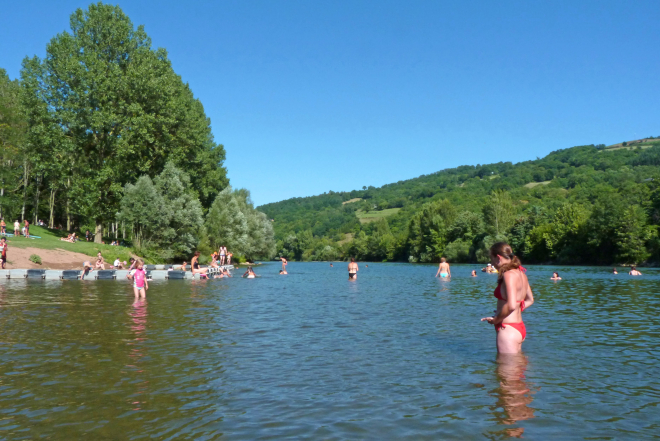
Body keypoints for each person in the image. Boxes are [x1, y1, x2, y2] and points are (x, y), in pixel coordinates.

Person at [481, 242, 535, 354]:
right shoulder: (521, 273)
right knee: (517, 369)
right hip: (519, 328)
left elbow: (511, 305)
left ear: (499, 258)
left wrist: (496, 319)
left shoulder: (508, 275)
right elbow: (530, 300)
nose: (492, 263)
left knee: (505, 370)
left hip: (508, 330)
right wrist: (503, 311)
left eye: (492, 259)